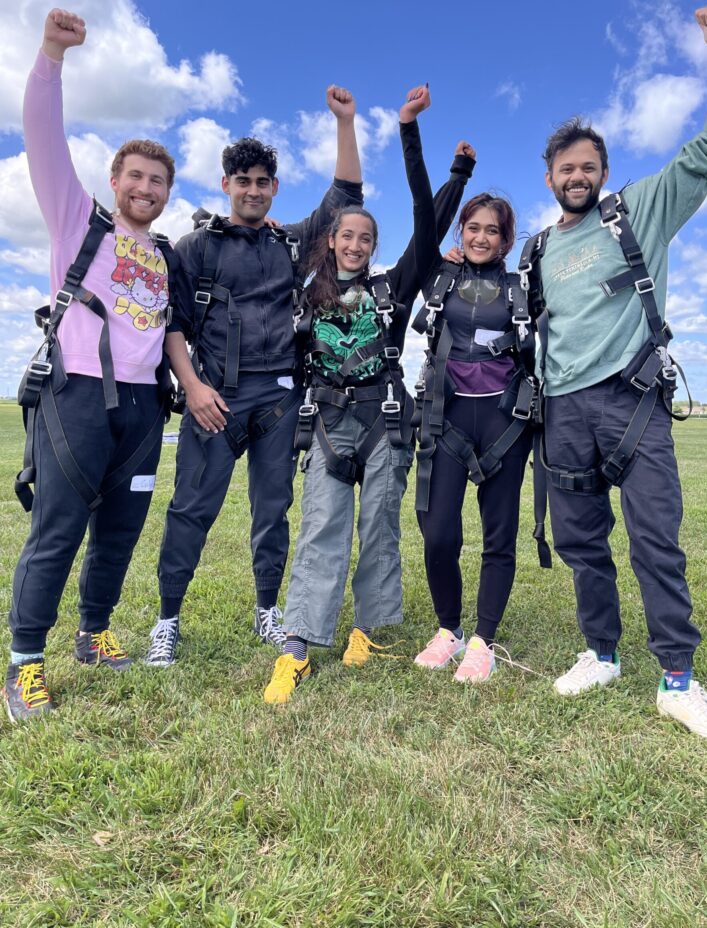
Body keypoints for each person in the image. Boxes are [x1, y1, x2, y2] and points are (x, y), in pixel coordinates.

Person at [529, 4, 707, 744]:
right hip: (562, 411)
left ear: (604, 173)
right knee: (582, 539)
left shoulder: (638, 211)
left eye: (589, 166)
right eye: (567, 169)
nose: (578, 176)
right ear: (551, 178)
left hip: (634, 401)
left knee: (656, 536)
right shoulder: (537, 251)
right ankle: (603, 652)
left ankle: (678, 679)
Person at [263, 88, 476, 703]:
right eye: (346, 235)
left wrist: (450, 170)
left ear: (374, 247)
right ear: (330, 239)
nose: (355, 244)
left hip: (385, 420)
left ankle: (368, 628)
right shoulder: (305, 284)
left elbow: (425, 220)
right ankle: (299, 644)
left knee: (380, 525)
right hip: (327, 420)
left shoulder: (395, 285)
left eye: (365, 238)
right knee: (322, 527)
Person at [145, 87, 363, 667]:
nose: (252, 190)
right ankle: (167, 620)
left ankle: (268, 609)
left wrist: (345, 122)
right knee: (191, 509)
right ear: (226, 185)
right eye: (242, 180)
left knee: (273, 511)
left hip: (279, 400)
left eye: (262, 181)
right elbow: (174, 325)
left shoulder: (291, 244)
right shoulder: (197, 249)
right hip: (215, 397)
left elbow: (345, 197)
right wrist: (192, 389)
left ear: (273, 188)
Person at [3, 9, 176, 723]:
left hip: (143, 409)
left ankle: (94, 632)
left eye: (158, 180)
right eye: (136, 176)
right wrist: (51, 56)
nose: (146, 187)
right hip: (75, 396)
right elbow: (42, 136)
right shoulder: (80, 218)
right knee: (58, 529)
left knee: (122, 530)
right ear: (115, 179)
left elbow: (169, 336)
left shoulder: (164, 256)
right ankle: (23, 665)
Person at [406, 87, 537, 684]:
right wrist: (451, 167)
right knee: (437, 534)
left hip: (505, 424)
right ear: (462, 230)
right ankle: (448, 629)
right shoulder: (440, 273)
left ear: (507, 239)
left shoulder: (522, 287)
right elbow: (419, 210)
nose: (482, 237)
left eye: (493, 230)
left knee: (499, 536)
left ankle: (484, 640)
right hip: (446, 418)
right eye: (473, 228)